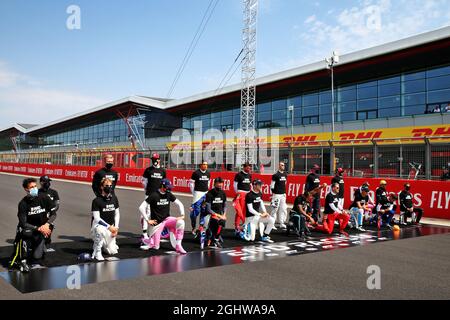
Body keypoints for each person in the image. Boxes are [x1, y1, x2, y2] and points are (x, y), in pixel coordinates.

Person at [9, 178, 54, 272]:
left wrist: (47, 224)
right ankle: (22, 260)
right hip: (29, 228)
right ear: (26, 189)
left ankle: (42, 245)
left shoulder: (44, 197)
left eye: (35, 186)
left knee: (37, 257)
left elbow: (54, 214)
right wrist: (38, 228)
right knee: (25, 232)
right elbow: (23, 223)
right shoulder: (23, 203)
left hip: (42, 227)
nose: (34, 188)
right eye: (31, 187)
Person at [139, 179, 187, 254]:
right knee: (156, 247)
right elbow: (141, 207)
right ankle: (145, 240)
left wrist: (182, 215)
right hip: (157, 223)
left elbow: (180, 204)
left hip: (167, 219)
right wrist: (148, 220)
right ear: (162, 186)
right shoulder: (154, 195)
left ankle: (178, 245)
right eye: (167, 187)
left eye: (169, 187)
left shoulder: (168, 194)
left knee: (181, 222)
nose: (168, 189)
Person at [91, 178, 120, 261]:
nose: (109, 187)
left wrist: (116, 228)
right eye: (106, 186)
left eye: (111, 186)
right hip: (99, 226)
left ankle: (102, 244)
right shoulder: (96, 201)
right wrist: (108, 227)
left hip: (111, 227)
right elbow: (97, 218)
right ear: (101, 187)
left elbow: (117, 214)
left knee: (112, 251)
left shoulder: (114, 198)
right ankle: (98, 251)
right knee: (99, 229)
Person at [141, 153, 167, 244]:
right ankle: (144, 233)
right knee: (147, 214)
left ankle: (156, 233)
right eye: (153, 159)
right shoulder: (148, 170)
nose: (155, 161)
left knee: (158, 214)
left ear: (159, 159)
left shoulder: (163, 171)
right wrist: (147, 190)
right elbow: (144, 181)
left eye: (156, 159)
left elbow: (164, 183)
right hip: (149, 194)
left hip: (159, 196)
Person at [38, 175, 60, 251]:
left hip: (50, 214)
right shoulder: (37, 192)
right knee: (40, 230)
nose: (48, 183)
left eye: (48, 181)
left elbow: (57, 204)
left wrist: (51, 211)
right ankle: (38, 244)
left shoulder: (54, 192)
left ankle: (47, 243)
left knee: (49, 229)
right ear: (41, 182)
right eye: (46, 182)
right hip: (40, 214)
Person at [205, 177, 228, 248]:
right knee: (217, 223)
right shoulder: (209, 193)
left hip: (219, 215)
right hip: (210, 215)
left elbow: (225, 205)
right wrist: (218, 215)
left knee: (222, 221)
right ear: (215, 184)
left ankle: (216, 239)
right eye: (218, 183)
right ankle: (209, 237)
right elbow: (208, 209)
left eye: (221, 183)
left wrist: (224, 214)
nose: (220, 185)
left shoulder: (223, 193)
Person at [189, 161, 211, 234]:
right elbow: (191, 184)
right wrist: (194, 193)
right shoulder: (196, 173)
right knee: (196, 212)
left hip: (205, 194)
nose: (205, 166)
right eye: (204, 164)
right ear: (200, 165)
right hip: (197, 194)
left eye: (206, 164)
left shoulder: (208, 173)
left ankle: (201, 227)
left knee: (204, 211)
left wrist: (207, 192)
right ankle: (193, 227)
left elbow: (208, 182)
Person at [233, 162, 252, 235]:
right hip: (241, 193)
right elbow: (235, 185)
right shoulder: (239, 175)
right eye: (247, 167)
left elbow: (250, 185)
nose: (249, 168)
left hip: (247, 194)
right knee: (239, 211)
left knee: (245, 211)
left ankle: (244, 226)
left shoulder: (249, 175)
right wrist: (237, 193)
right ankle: (236, 226)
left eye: (249, 167)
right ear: (244, 167)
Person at [270, 162, 288, 229]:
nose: (283, 166)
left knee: (283, 209)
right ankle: (271, 223)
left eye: (284, 165)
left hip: (283, 194)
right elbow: (272, 185)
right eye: (282, 165)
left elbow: (285, 183)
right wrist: (274, 194)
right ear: (279, 166)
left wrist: (284, 192)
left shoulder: (285, 174)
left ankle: (281, 223)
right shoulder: (275, 175)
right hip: (276, 194)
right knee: (274, 209)